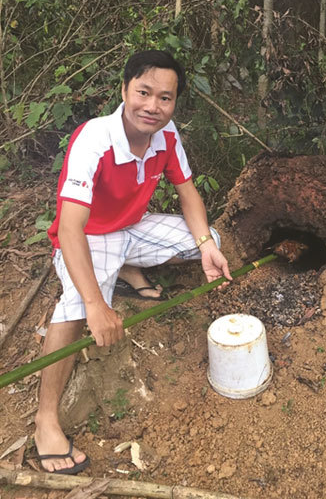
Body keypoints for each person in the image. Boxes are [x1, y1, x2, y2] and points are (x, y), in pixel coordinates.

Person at [34, 50, 232, 475]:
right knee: (73, 306)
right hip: (89, 236)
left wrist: (204, 245)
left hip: (131, 230)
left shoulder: (167, 134)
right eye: (143, 92)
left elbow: (187, 192)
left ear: (174, 102)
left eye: (165, 98)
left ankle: (125, 268)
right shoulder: (95, 139)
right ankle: (45, 421)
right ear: (124, 90)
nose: (153, 107)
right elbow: (70, 228)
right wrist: (93, 304)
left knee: (209, 238)